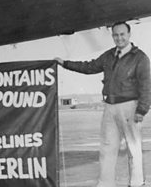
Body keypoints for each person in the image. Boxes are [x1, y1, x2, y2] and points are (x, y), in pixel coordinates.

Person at [55, 21, 151, 187]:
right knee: (107, 149)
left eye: (122, 34)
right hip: (109, 108)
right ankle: (105, 184)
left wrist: (141, 110)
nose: (119, 38)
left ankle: (137, 183)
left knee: (133, 150)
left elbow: (147, 86)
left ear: (129, 35)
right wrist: (65, 63)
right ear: (112, 36)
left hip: (130, 108)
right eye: (115, 35)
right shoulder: (108, 56)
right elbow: (90, 66)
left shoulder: (140, 58)